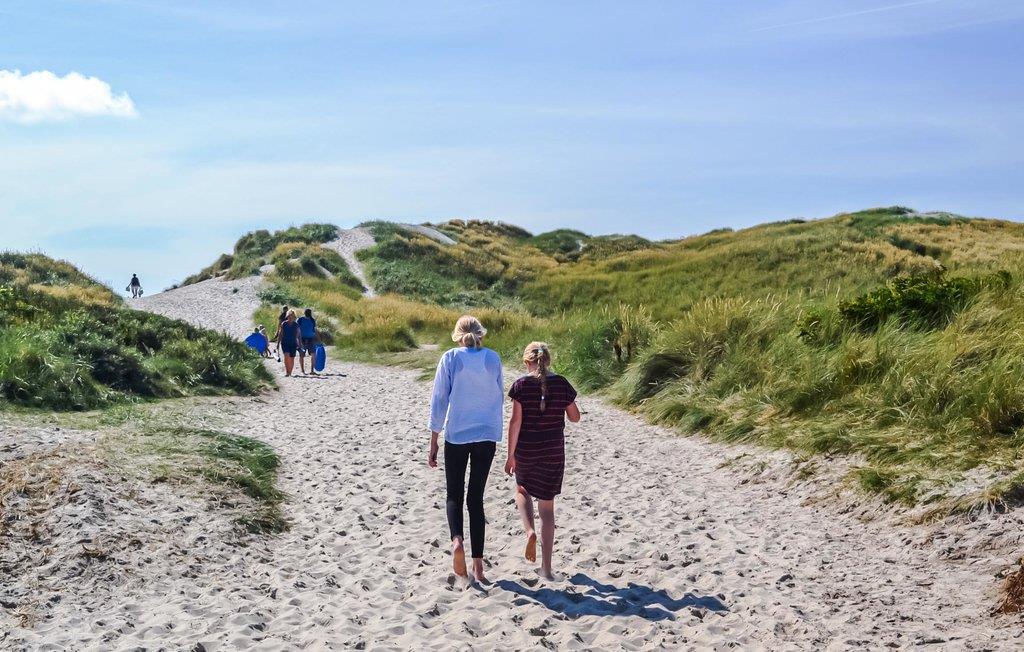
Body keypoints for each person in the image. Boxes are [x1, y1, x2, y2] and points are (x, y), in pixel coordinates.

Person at [428, 315, 504, 582]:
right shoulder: (493, 358)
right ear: (480, 333)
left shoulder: (450, 358)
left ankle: (457, 541)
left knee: (454, 495)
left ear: (457, 335)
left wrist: (434, 439)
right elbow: (498, 397)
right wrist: (493, 429)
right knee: (476, 499)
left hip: (458, 433)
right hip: (486, 434)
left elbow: (439, 399)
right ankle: (479, 567)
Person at [504, 342, 580, 581]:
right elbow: (575, 417)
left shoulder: (520, 385)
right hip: (553, 450)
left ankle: (529, 531)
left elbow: (515, 422)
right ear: (548, 361)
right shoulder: (562, 383)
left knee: (522, 490)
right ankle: (546, 569)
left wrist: (510, 455)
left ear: (527, 362)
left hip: (527, 448)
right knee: (547, 508)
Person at [273, 310, 301, 376]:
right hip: (285, 343)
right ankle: (287, 372)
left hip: (293, 343)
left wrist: (300, 344)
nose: (290, 318)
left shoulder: (296, 325)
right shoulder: (284, 324)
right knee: (286, 356)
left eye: (292, 316)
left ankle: (290, 372)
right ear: (287, 316)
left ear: (294, 317)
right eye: (289, 316)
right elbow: (280, 334)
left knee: (292, 358)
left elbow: (299, 335)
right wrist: (278, 343)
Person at [296, 308, 319, 375]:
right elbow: (297, 329)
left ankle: (308, 370)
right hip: (303, 339)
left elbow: (314, 330)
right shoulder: (301, 320)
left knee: (310, 354)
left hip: (310, 338)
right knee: (305, 354)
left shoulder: (311, 320)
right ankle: (305, 370)